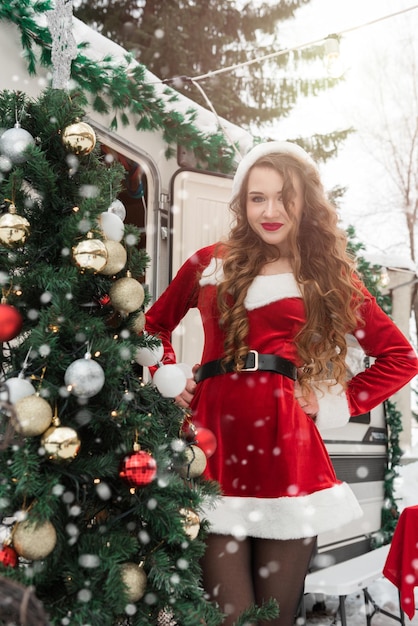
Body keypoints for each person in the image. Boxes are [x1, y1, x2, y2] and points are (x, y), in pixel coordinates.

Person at [145, 141, 418, 625]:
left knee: (273, 619)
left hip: (288, 454)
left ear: (304, 202)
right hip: (214, 449)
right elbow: (153, 325)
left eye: (283, 198)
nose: (270, 211)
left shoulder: (327, 277)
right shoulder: (211, 263)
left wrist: (333, 399)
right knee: (231, 617)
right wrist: (167, 373)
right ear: (242, 203)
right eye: (257, 198)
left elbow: (400, 357)